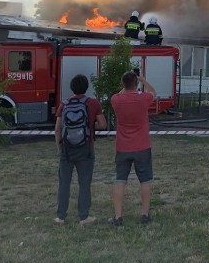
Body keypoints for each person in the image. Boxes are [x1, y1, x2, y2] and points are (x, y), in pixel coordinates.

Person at [54, 74, 107, 226]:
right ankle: (84, 217)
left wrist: (59, 148)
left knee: (64, 182)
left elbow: (58, 129)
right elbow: (102, 125)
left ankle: (60, 216)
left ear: (72, 88)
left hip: (67, 149)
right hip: (86, 148)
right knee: (84, 183)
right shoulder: (93, 103)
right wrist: (89, 127)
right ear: (86, 87)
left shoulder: (64, 104)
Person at [109, 70, 157, 226]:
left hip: (123, 147)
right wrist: (143, 80)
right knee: (145, 181)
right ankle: (144, 214)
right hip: (142, 146)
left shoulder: (116, 100)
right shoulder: (143, 99)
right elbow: (153, 92)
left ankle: (118, 216)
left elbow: (119, 94)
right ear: (136, 84)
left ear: (123, 84)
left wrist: (126, 85)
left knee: (120, 181)